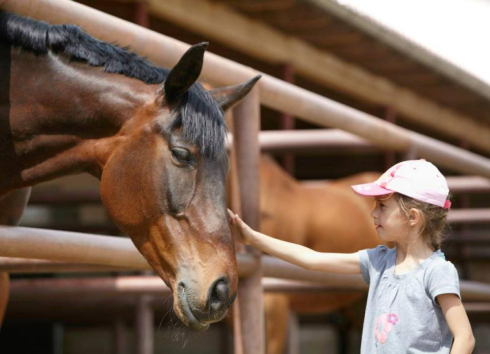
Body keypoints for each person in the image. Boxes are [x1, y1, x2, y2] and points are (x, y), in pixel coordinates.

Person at [228, 159, 475, 353]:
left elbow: (465, 337)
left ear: (412, 217)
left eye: (382, 207)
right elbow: (312, 259)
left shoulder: (437, 272)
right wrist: (253, 237)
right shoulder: (379, 261)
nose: (373, 214)